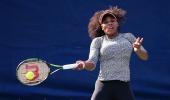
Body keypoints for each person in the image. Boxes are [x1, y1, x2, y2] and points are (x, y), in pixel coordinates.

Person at [75, 6, 148, 100]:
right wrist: (84, 64)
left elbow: (145, 56)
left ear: (117, 23)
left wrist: (138, 50)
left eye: (112, 21)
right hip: (103, 85)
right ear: (101, 27)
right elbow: (92, 63)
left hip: (123, 85)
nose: (109, 24)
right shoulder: (98, 41)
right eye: (105, 22)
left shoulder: (129, 37)